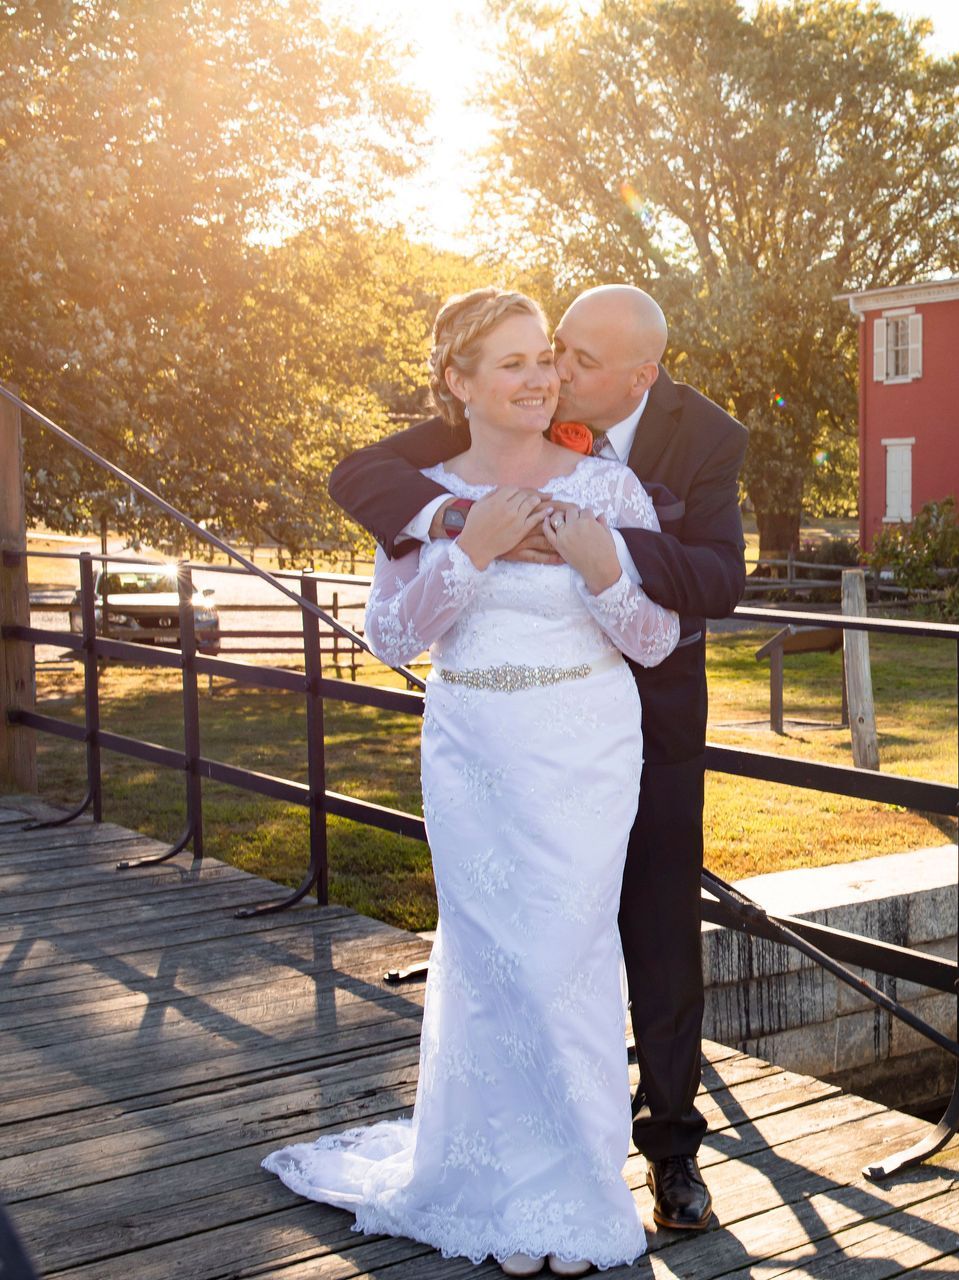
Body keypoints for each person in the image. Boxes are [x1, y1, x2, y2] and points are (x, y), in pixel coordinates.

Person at [264, 288, 681, 1274]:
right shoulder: (418, 492)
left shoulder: (609, 488)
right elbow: (394, 638)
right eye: (513, 363)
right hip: (475, 744)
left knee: (569, 957)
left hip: (586, 744)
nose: (540, 377)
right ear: (458, 382)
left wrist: (607, 572)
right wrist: (470, 550)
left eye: (546, 359)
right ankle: (489, 1179)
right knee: (495, 961)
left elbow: (657, 642)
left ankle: (576, 1184)